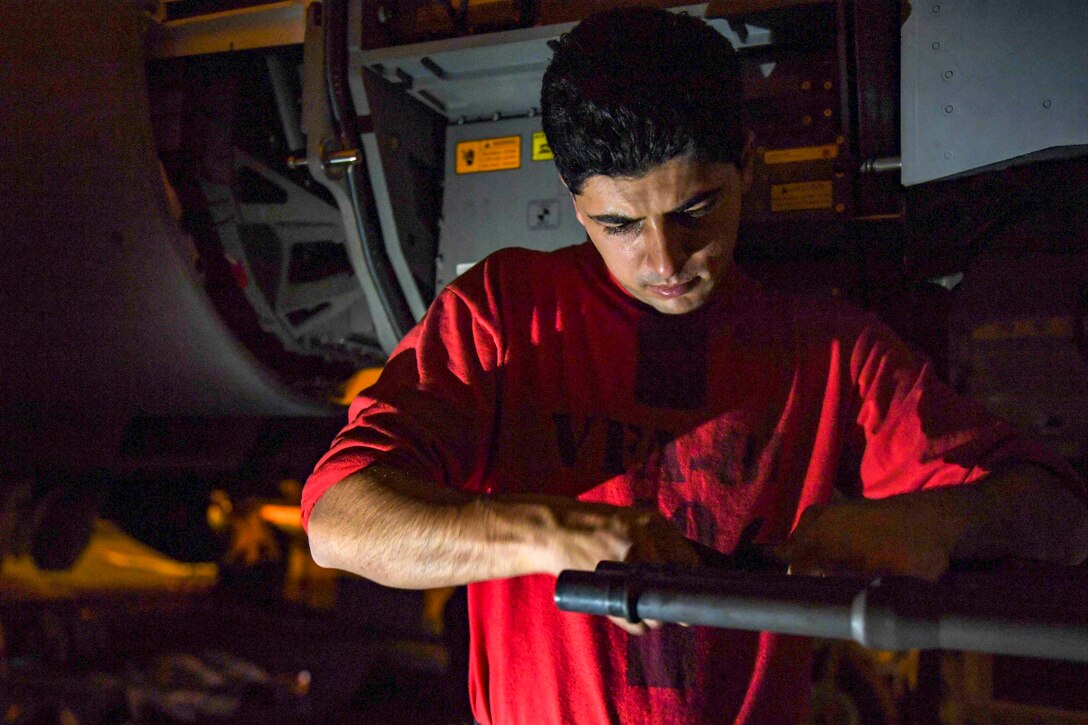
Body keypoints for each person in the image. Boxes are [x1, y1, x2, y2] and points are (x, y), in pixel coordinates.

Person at [302, 7, 1088, 724]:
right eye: (619, 224)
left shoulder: (830, 350)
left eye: (695, 210)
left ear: (747, 166)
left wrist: (928, 522)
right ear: (574, 205)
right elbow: (340, 522)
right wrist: (560, 532)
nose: (666, 260)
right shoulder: (505, 312)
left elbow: (1061, 514)